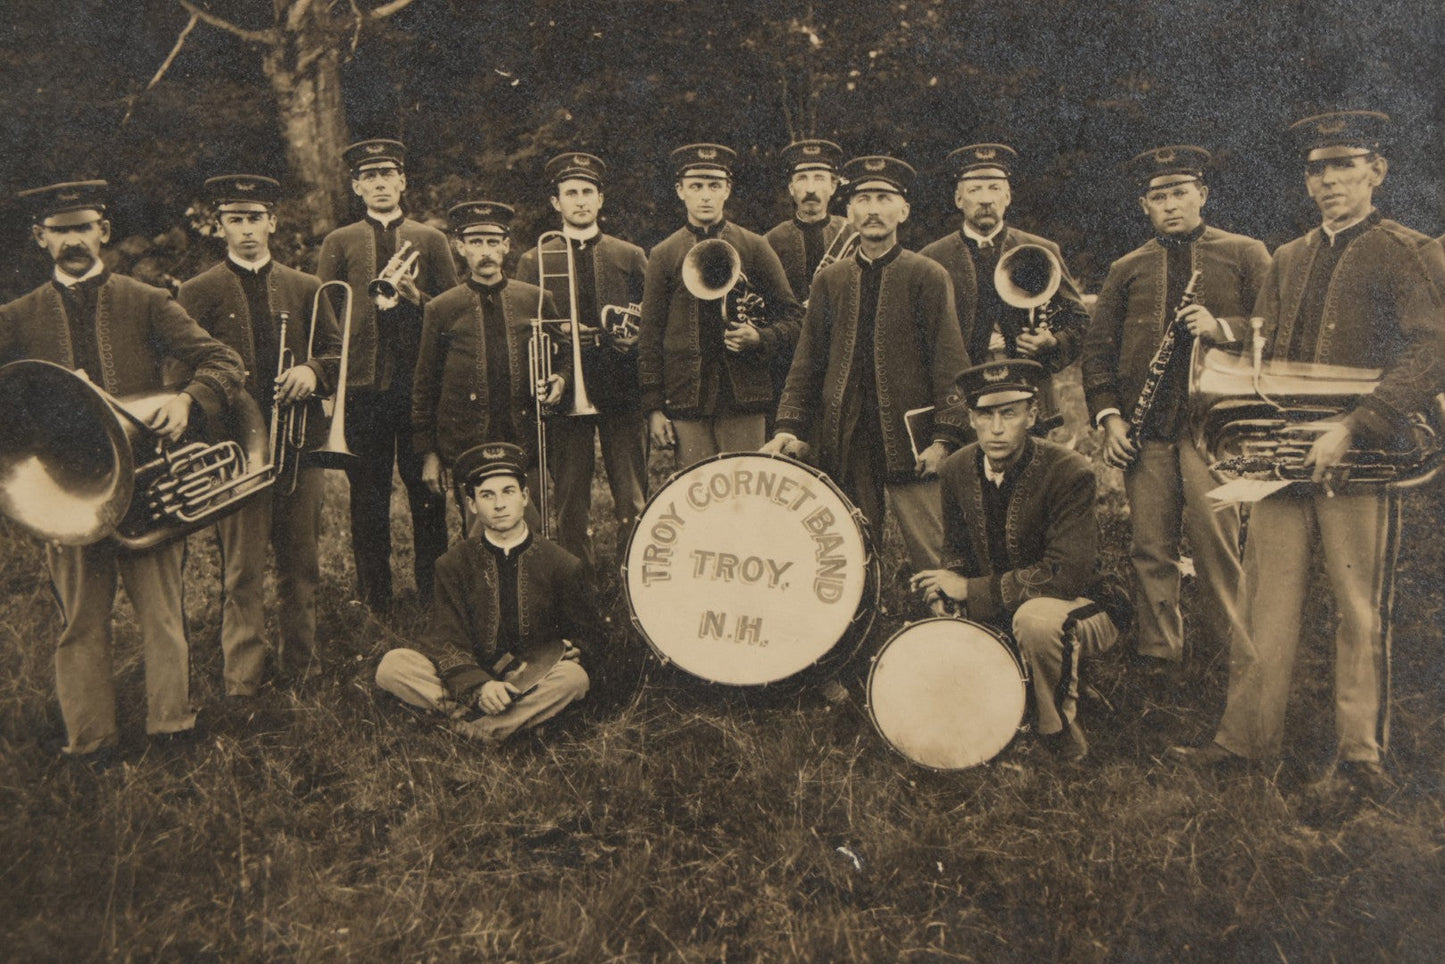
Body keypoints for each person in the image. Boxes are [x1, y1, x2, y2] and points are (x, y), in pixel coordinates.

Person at [1169, 111, 1445, 796]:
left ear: (1376, 171)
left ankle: (1359, 758)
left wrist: (1357, 424)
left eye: (1343, 166)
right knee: (1263, 599)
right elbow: (1271, 360)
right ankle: (1244, 742)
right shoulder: (1287, 257)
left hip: (1359, 456)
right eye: (1316, 169)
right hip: (1281, 460)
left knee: (1358, 607)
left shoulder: (1406, 250)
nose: (1327, 181)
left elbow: (1431, 347)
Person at [0, 180, 244, 757]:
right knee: (80, 623)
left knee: (162, 616)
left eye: (83, 228)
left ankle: (171, 728)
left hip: (145, 485)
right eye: (60, 231)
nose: (73, 241)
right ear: (40, 238)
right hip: (63, 492)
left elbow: (223, 360)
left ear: (103, 231)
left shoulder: (147, 299)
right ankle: (90, 742)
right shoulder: (16, 317)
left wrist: (186, 400)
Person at [1080, 146, 1269, 682]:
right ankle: (1159, 652)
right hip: (1147, 432)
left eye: (1180, 193)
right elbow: (1098, 354)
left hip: (1216, 430)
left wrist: (1224, 328)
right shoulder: (1127, 267)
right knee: (1149, 546)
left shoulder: (1245, 252)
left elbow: (1278, 326)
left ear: (1202, 195)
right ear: (1144, 205)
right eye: (1158, 196)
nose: (1169, 205)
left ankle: (1230, 652)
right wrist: (1109, 418)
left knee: (1218, 543)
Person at [764, 155, 971, 570]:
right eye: (862, 198)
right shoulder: (831, 280)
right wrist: (789, 426)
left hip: (912, 440)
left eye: (884, 198)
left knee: (933, 549)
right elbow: (807, 362)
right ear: (848, 211)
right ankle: (864, 627)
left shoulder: (927, 275)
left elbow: (949, 361)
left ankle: (947, 627)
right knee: (848, 549)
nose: (873, 209)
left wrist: (943, 439)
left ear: (903, 210)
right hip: (847, 439)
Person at [177, 174, 342, 693]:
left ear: (273, 221)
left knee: (302, 566)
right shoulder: (196, 291)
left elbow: (339, 355)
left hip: (302, 450)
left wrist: (313, 371)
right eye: (234, 219)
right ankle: (242, 678)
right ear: (219, 226)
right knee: (241, 572)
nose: (246, 230)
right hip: (233, 455)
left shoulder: (307, 287)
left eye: (255, 218)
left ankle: (304, 667)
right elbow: (181, 371)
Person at [912, 360, 1123, 762]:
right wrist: (947, 583)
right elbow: (956, 549)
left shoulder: (1069, 471)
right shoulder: (957, 468)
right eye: (984, 415)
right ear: (970, 419)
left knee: (1036, 621)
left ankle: (1057, 731)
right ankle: (1005, 711)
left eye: (1008, 413)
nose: (996, 428)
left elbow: (1066, 575)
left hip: (1083, 607)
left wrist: (972, 590)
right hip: (1005, 604)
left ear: (1032, 414)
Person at [317, 138, 456, 611]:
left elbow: (453, 310)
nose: (379, 184)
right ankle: (376, 600)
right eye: (369, 177)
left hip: (418, 387)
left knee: (427, 494)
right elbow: (327, 313)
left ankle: (434, 597)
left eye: (387, 175)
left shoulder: (431, 240)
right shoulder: (339, 242)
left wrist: (416, 296)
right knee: (367, 498)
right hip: (362, 389)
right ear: (357, 186)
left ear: (402, 181)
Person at [375, 442, 594, 743]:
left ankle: (469, 727)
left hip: (530, 681)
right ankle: (503, 725)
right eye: (487, 495)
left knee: (574, 679)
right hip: (469, 677)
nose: (499, 504)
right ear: (473, 505)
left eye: (508, 492)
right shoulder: (452, 564)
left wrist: (576, 647)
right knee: (393, 666)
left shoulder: (561, 563)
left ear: (525, 497)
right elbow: (446, 638)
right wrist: (479, 687)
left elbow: (586, 635)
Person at [515, 152, 649, 570]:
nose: (580, 201)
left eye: (587, 192)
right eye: (570, 193)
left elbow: (649, 315)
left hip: (621, 380)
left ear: (600, 199)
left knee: (631, 490)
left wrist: (632, 338)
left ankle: (635, 573)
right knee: (571, 493)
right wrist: (560, 338)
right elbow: (528, 325)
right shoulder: (534, 259)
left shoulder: (629, 254)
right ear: (556, 203)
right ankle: (578, 577)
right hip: (564, 383)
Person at [638, 143, 802, 469]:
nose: (705, 196)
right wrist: (654, 408)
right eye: (696, 186)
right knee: (698, 494)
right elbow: (650, 335)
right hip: (687, 397)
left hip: (745, 397)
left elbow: (795, 317)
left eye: (714, 186)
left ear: (727, 189)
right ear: (680, 191)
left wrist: (760, 337)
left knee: (748, 490)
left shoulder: (755, 246)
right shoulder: (663, 253)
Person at [412, 200, 562, 537]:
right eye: (476, 243)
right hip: (468, 443)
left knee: (533, 528)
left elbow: (564, 354)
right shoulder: (441, 308)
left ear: (507, 246)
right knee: (480, 532)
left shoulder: (536, 298)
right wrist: (430, 453)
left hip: (526, 439)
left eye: (493, 242)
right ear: (460, 247)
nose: (486, 251)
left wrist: (561, 379)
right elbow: (425, 383)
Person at [919, 143, 1090, 435]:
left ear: (1008, 197)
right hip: (961, 394)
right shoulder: (932, 258)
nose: (986, 199)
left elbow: (1079, 321)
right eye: (974, 190)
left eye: (995, 188)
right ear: (958, 199)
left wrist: (1051, 342)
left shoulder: (1041, 250)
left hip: (1027, 390)